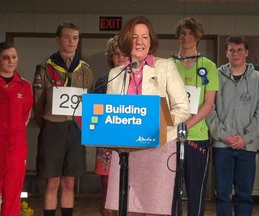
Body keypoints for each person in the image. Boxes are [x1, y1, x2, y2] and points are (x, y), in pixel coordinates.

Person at [105, 16, 190, 215]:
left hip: (158, 147)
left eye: (144, 37)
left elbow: (182, 108)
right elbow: (111, 111)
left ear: (151, 41)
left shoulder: (165, 66)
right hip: (125, 151)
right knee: (128, 210)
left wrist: (158, 124)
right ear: (126, 40)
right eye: (134, 37)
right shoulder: (116, 73)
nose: (139, 42)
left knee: (155, 210)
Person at [33, 21, 94, 216]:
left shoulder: (85, 70)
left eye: (75, 38)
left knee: (69, 181)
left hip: (75, 128)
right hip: (53, 127)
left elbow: (89, 101)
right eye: (67, 37)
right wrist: (48, 123)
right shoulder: (45, 68)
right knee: (53, 181)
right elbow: (38, 103)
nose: (71, 42)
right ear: (58, 39)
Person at [206, 35, 259, 216]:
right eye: (231, 50)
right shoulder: (216, 75)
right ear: (226, 53)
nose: (236, 54)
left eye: (240, 49)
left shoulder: (258, 79)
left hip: (247, 146)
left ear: (247, 52)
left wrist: (246, 138)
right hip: (221, 146)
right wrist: (224, 135)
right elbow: (209, 109)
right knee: (222, 195)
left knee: (244, 195)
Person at [171, 17, 219, 216]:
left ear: (198, 36)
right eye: (183, 33)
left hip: (197, 137)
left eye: (190, 33)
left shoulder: (208, 66)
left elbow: (209, 104)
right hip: (171, 136)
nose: (186, 37)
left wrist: (187, 124)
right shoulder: (169, 64)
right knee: (170, 191)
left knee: (196, 191)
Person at [94, 35, 128, 216]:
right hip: (107, 141)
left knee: (129, 185)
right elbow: (94, 112)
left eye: (124, 54)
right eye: (116, 54)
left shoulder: (139, 80)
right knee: (107, 187)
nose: (120, 58)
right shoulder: (102, 81)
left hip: (132, 141)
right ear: (110, 57)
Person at [0, 42, 33, 216]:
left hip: (16, 146)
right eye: (6, 57)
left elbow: (25, 116)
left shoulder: (24, 86)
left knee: (12, 192)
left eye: (14, 57)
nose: (11, 61)